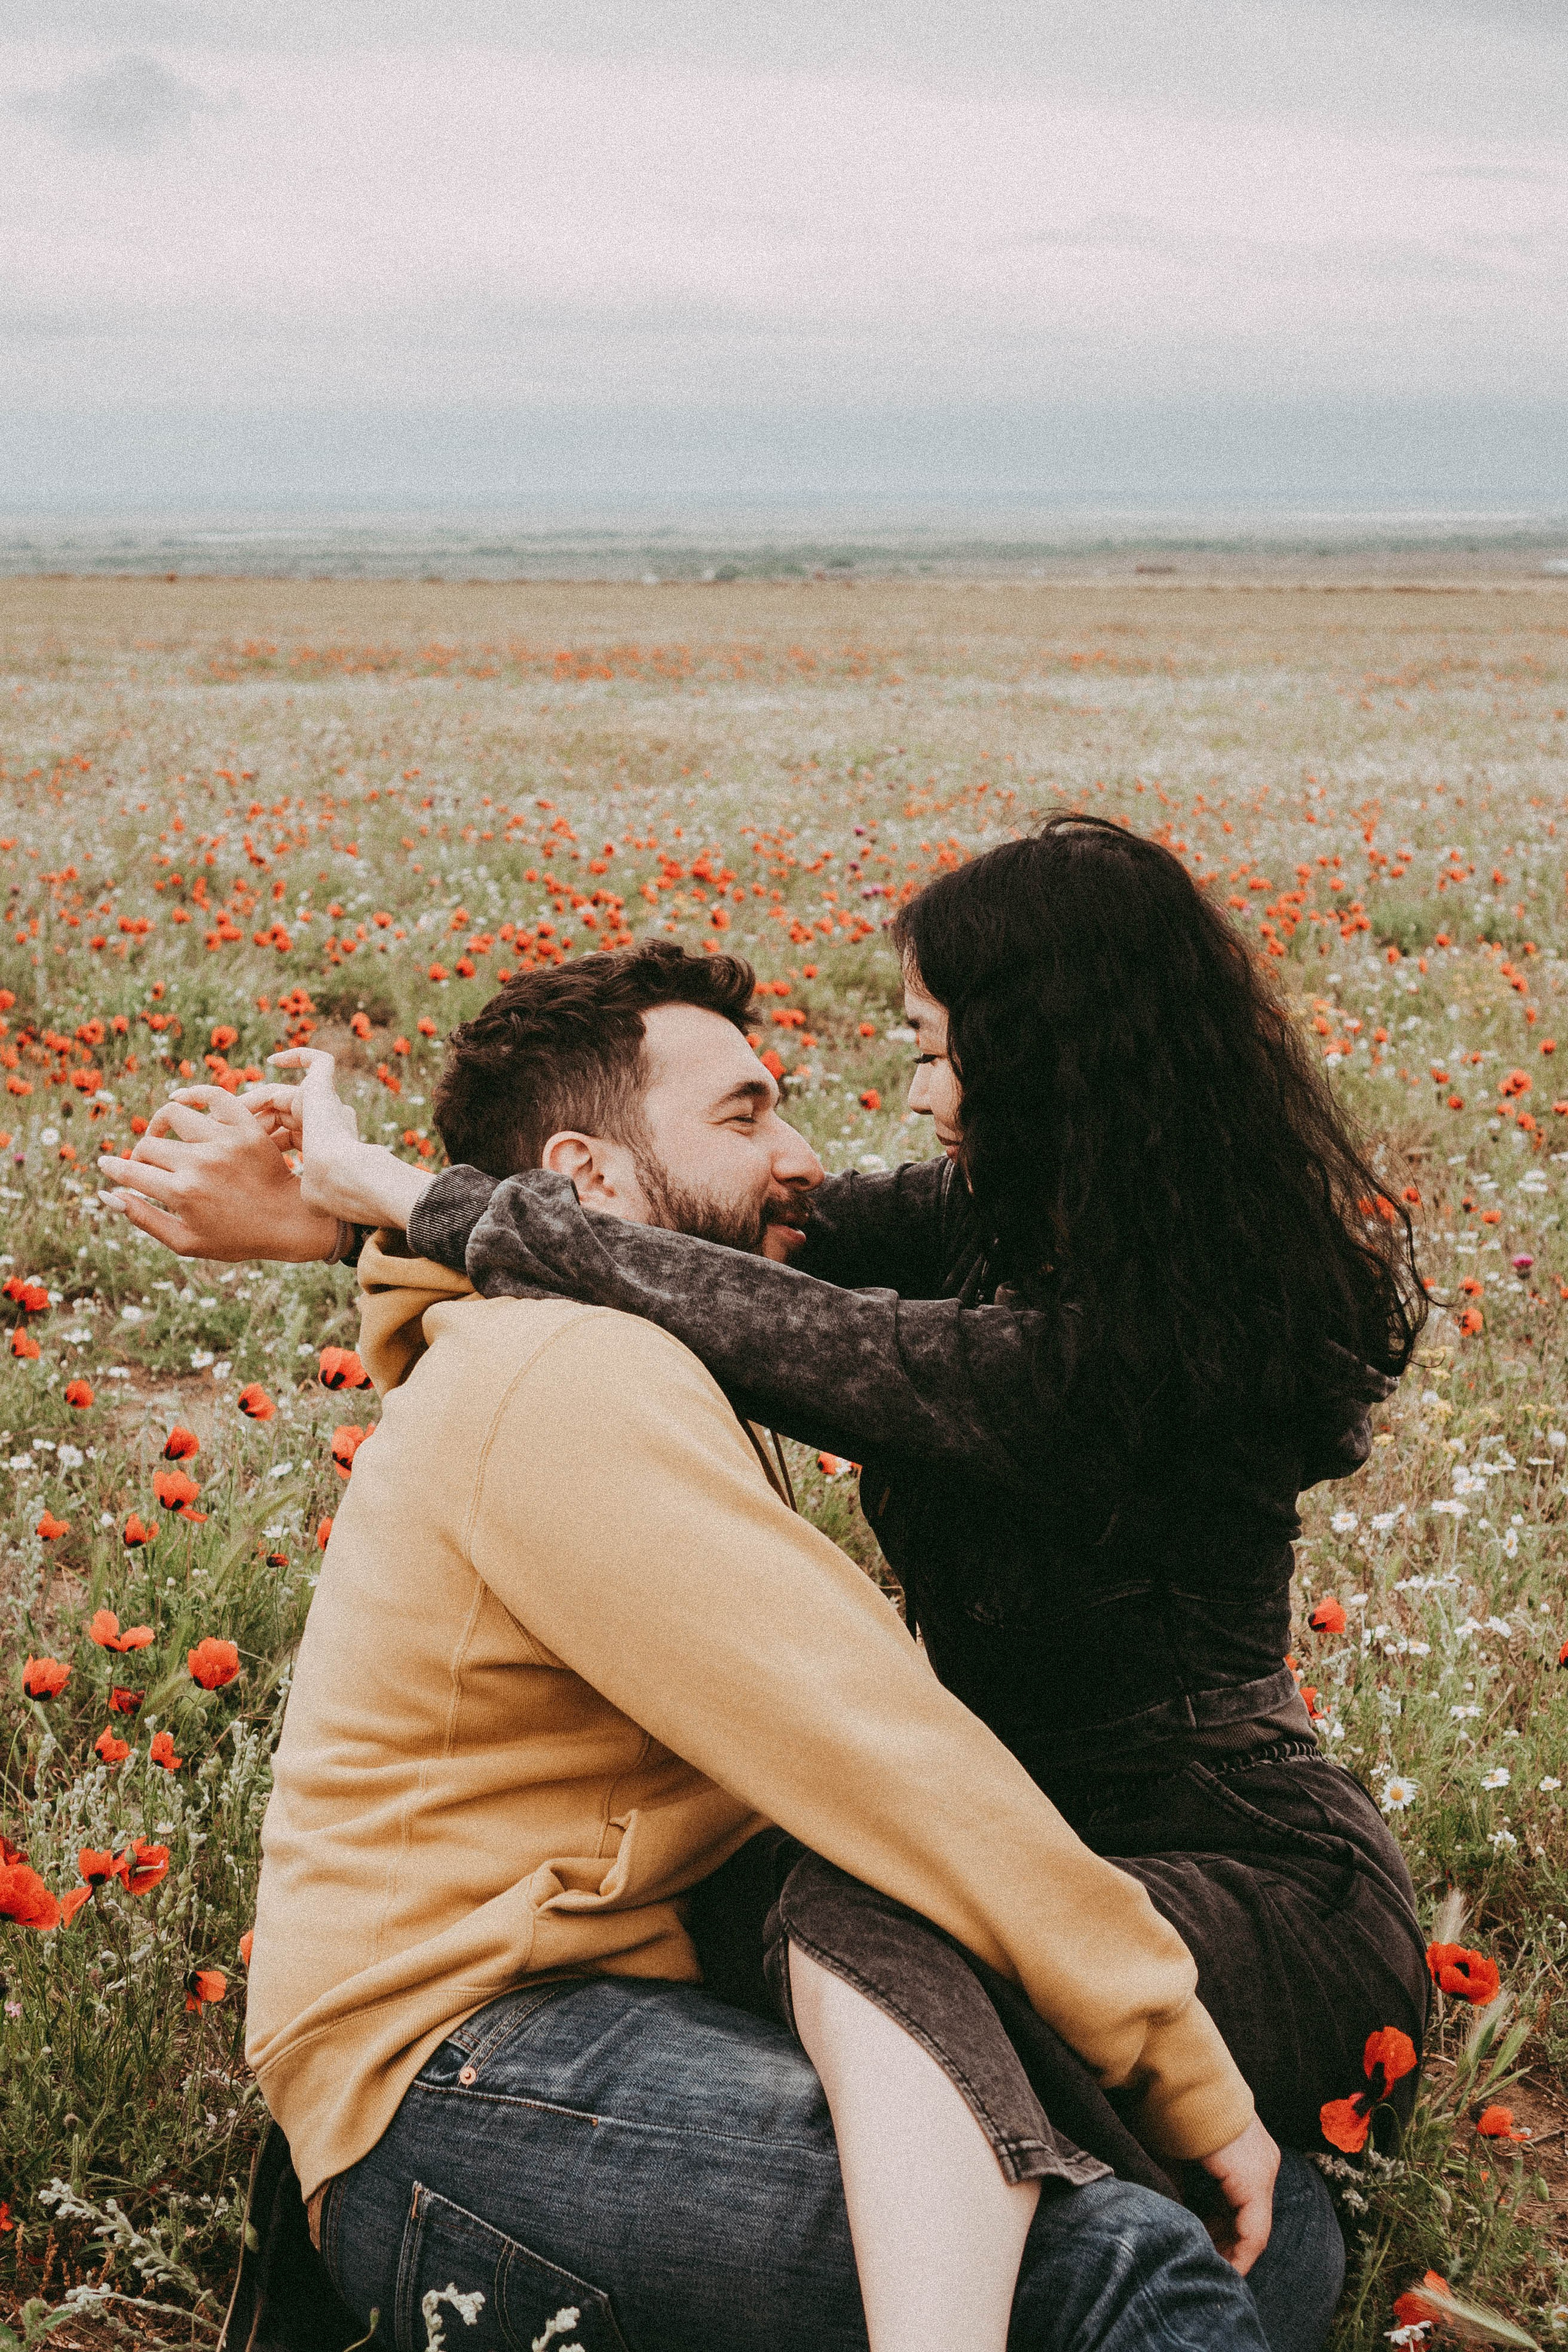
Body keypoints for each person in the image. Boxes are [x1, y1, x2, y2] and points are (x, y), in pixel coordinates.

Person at [99, 944, 1337, 2352]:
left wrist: (355, 1224)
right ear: (583, 1182)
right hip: (455, 2076)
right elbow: (876, 1747)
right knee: (1109, 2269)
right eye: (744, 1116)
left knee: (1272, 2222)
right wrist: (1176, 2060)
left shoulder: (592, 1352)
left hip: (611, 2016)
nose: (800, 1157)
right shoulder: (561, 1373)